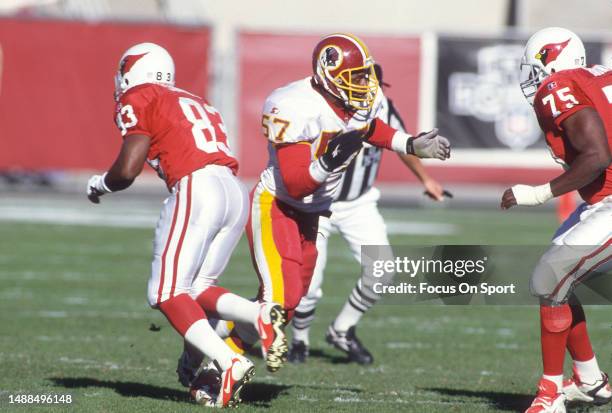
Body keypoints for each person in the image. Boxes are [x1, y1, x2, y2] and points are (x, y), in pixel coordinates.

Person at [214, 32, 451, 371]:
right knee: (282, 298)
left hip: (316, 211)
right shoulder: (293, 105)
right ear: (328, 76)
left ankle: (217, 334)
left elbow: (372, 129)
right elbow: (295, 184)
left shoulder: (354, 102)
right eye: (353, 76)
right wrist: (327, 162)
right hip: (278, 205)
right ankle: (218, 354)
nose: (363, 83)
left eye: (364, 74)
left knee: (290, 301)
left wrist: (411, 144)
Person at [86, 42, 286, 407]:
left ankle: (230, 361)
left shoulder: (140, 95)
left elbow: (128, 170)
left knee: (164, 291)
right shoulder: (194, 99)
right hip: (232, 187)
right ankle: (257, 315)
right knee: (194, 289)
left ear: (133, 71)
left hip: (198, 186)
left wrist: (99, 184)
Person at [288, 63, 449, 364]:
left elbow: (403, 144)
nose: (366, 89)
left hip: (358, 203)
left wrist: (426, 178)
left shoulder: (382, 106)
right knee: (308, 281)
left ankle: (342, 329)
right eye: (359, 80)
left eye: (369, 81)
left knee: (382, 270)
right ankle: (299, 340)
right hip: (317, 201)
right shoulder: (320, 107)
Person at [502, 27, 611, 413]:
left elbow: (597, 155)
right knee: (558, 281)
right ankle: (590, 379)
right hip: (602, 202)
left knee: (549, 277)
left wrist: (536, 193)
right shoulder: (598, 75)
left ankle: (549, 395)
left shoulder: (557, 86)